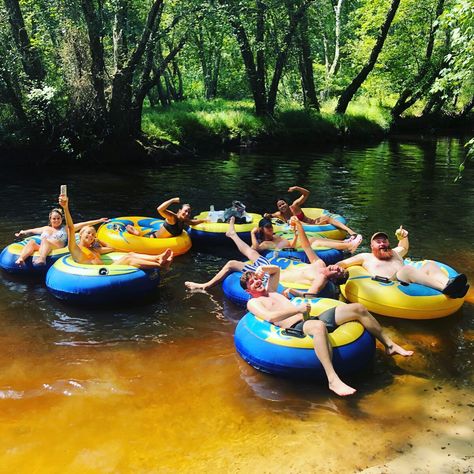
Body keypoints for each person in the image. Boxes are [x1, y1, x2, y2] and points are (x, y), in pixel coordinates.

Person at [242, 263, 413, 396]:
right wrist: (297, 309)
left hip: (309, 318)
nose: (257, 282)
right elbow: (270, 317)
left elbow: (276, 270)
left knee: (358, 308)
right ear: (248, 290)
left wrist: (262, 269)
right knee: (318, 326)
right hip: (295, 327)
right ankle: (332, 379)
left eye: (257, 279)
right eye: (252, 282)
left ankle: (390, 345)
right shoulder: (254, 302)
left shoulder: (272, 291)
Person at [185, 217, 348, 296]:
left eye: (338, 272)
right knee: (253, 254)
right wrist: (298, 225)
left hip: (271, 278)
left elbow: (310, 295)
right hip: (274, 270)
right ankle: (233, 234)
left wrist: (293, 292)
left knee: (232, 263)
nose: (336, 267)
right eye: (340, 267)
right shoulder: (320, 265)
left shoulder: (321, 279)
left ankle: (204, 286)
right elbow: (306, 246)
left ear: (334, 279)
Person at [338, 227, 469, 298]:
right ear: (372, 246)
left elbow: (404, 247)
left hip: (407, 278)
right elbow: (343, 264)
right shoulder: (365, 257)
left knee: (429, 264)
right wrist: (336, 268)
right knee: (406, 270)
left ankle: (451, 285)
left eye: (384, 241)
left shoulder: (394, 252)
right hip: (390, 284)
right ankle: (446, 289)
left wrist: (403, 237)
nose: (382, 244)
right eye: (378, 242)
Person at [59, 194, 174, 270]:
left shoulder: (94, 249)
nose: (91, 235)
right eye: (88, 233)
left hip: (108, 270)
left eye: (93, 234)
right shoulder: (75, 248)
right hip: (97, 276)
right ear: (80, 234)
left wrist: (98, 240)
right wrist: (65, 207)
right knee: (129, 259)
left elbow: (112, 248)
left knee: (130, 254)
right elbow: (70, 228)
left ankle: (158, 258)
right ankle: (160, 265)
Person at [14, 208, 108, 266]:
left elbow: (84, 224)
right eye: (54, 219)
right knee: (32, 243)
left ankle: (42, 259)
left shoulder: (66, 228)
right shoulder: (45, 228)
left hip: (56, 248)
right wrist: (23, 232)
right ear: (50, 219)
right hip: (44, 246)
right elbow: (32, 230)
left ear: (61, 219)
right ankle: (21, 258)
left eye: (58, 218)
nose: (56, 220)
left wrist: (99, 220)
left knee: (45, 241)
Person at [263, 185, 358, 238]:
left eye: (283, 204)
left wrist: (296, 188)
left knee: (327, 218)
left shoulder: (294, 206)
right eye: (279, 206)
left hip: (314, 224)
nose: (282, 206)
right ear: (278, 208)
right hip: (306, 229)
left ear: (287, 203)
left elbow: (307, 193)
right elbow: (269, 216)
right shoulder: (279, 214)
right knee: (294, 220)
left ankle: (350, 231)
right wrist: (267, 215)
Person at [251, 217, 362, 254]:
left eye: (271, 227)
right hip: (294, 253)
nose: (271, 229)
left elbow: (291, 244)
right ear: (262, 230)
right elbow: (254, 249)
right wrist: (252, 233)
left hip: (294, 247)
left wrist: (295, 236)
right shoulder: (265, 243)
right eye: (268, 228)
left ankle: (345, 242)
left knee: (313, 238)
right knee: (315, 242)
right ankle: (349, 246)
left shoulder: (275, 236)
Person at [126, 197, 208, 239]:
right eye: (185, 211)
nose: (187, 214)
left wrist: (204, 220)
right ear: (179, 211)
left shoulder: (184, 220)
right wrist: (172, 200)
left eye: (189, 212)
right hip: (151, 239)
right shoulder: (172, 217)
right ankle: (134, 231)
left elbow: (192, 222)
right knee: (137, 235)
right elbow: (160, 209)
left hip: (159, 236)